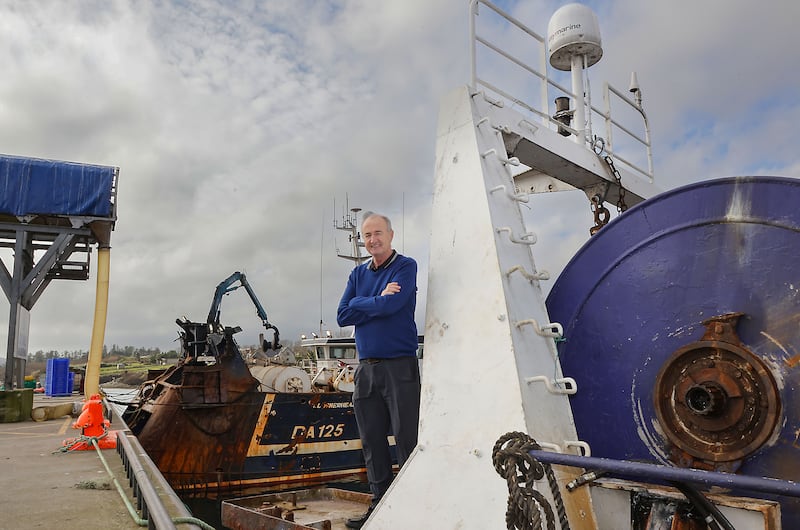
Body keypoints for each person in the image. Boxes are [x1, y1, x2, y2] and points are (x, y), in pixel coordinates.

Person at [337, 211, 421, 529]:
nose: (372, 240)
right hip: (366, 370)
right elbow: (342, 315)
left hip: (399, 367)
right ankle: (380, 505)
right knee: (372, 441)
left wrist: (362, 304)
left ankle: (413, 505)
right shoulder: (358, 274)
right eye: (367, 235)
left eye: (378, 233)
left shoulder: (405, 266)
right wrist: (374, 300)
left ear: (391, 235)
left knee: (406, 439)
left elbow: (392, 306)